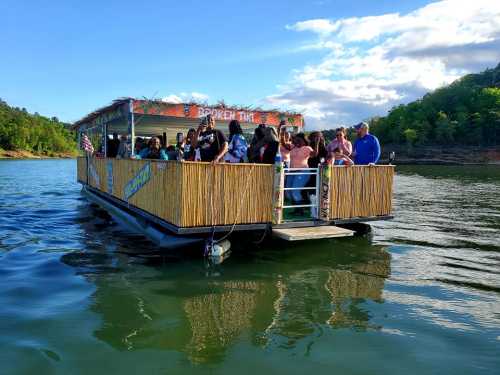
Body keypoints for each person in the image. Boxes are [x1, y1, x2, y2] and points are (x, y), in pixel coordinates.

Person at [287, 133, 314, 203]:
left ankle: (299, 209)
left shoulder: (307, 148)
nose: (297, 141)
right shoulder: (293, 147)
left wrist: (317, 143)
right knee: (288, 190)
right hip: (292, 171)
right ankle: (296, 206)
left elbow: (314, 154)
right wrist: (281, 131)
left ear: (303, 140)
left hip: (302, 171)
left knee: (295, 190)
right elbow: (283, 143)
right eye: (296, 140)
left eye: (299, 140)